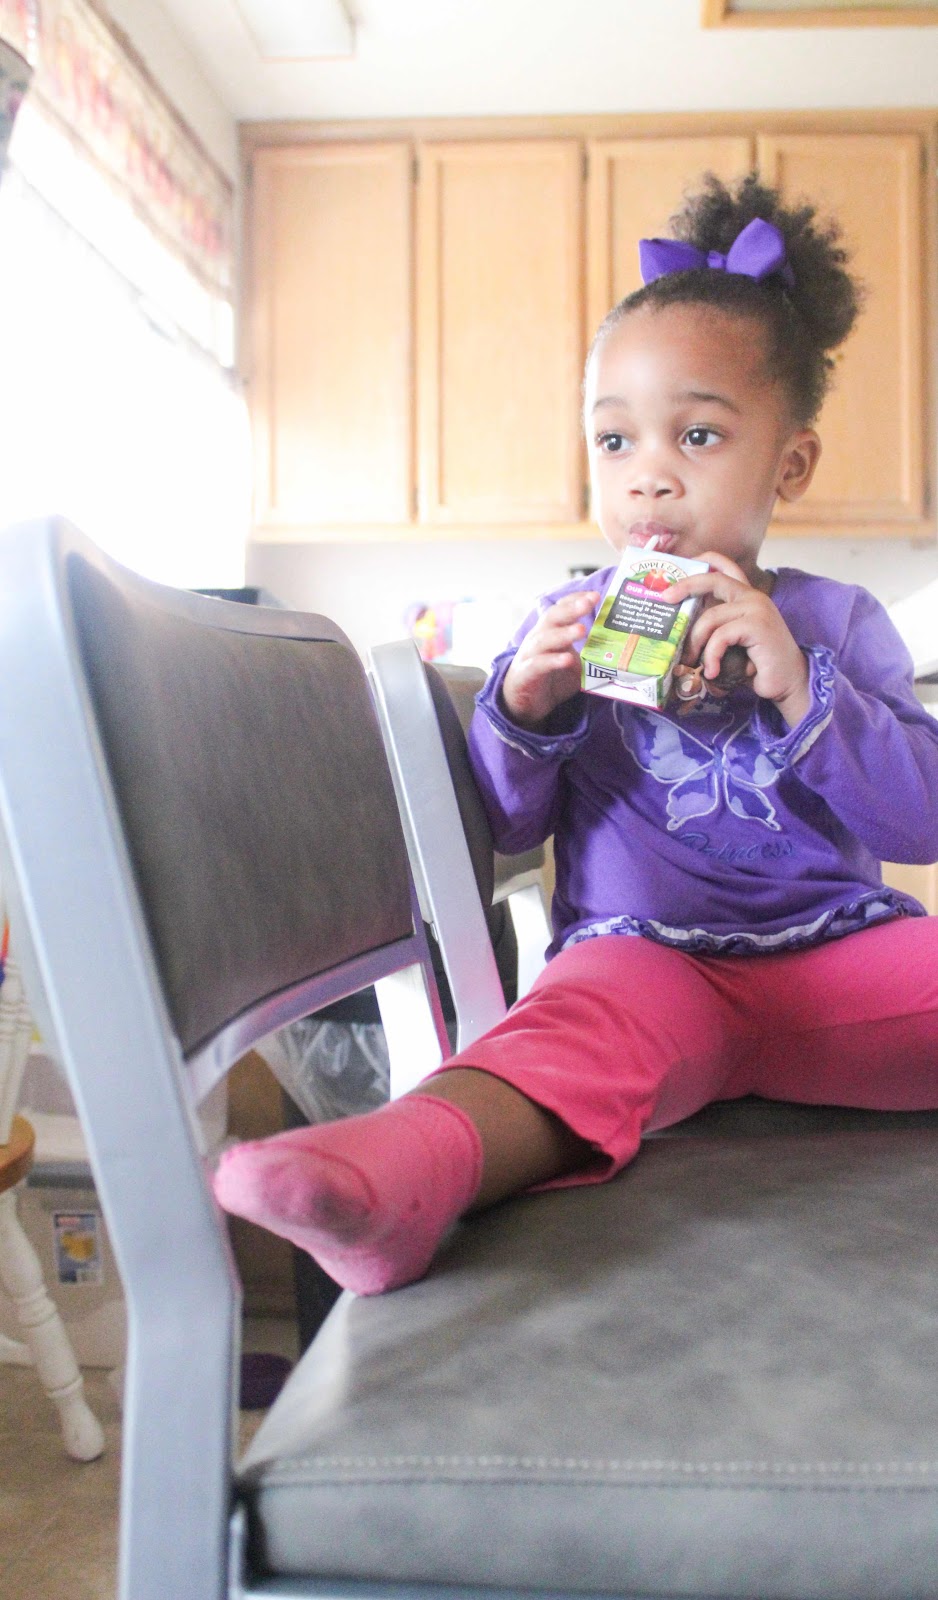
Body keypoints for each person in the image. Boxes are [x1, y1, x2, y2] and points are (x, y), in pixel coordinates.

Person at [214, 172, 938, 1296]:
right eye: (613, 440)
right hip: (641, 965)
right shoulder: (565, 625)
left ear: (788, 463)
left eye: (698, 434)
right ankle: (395, 1180)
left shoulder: (835, 621)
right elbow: (506, 825)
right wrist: (525, 708)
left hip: (835, 964)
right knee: (550, 1040)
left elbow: (917, 824)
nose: (648, 475)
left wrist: (804, 688)